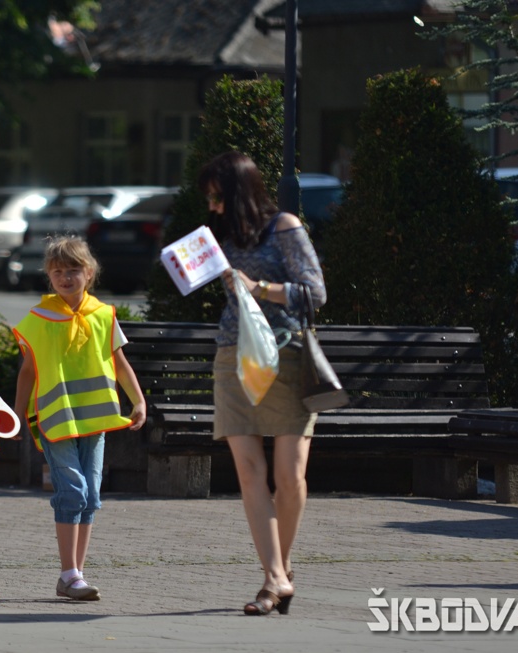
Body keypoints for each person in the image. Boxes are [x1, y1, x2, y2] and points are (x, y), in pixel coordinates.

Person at [198, 151, 326, 616]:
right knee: (250, 472)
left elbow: (315, 291)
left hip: (287, 355)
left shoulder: (285, 226)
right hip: (234, 354)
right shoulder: (221, 236)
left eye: (217, 197)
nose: (212, 207)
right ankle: (273, 577)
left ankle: (282, 568)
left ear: (237, 192)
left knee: (289, 476)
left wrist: (260, 288)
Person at [13, 236, 146, 601]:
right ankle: (68, 574)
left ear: (89, 273)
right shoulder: (39, 318)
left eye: (73, 270)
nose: (66, 277)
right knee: (73, 491)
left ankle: (76, 575)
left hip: (96, 419)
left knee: (91, 495)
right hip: (55, 419)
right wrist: (17, 412)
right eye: (58, 272)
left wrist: (138, 401)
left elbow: (119, 362)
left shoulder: (103, 315)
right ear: (49, 277)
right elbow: (28, 370)